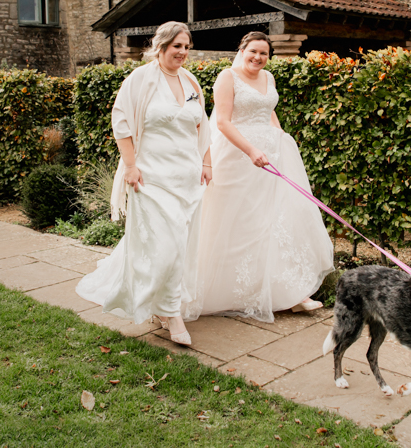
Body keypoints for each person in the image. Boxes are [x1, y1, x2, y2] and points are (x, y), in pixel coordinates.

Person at [76, 21, 212, 346]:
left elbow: (201, 124)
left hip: (187, 177)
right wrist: (131, 166)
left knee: (180, 245)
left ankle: (166, 308)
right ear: (161, 46)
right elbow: (121, 120)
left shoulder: (191, 81)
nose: (182, 52)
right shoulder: (141, 79)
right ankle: (170, 312)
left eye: (186, 46)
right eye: (177, 46)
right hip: (151, 176)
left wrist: (206, 162)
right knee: (165, 246)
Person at [182, 32, 334, 323]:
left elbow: (269, 113)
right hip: (237, 156)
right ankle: (225, 289)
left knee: (275, 220)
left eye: (264, 53)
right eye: (253, 51)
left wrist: (279, 139)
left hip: (271, 157)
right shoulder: (227, 77)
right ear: (242, 50)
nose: (258, 58)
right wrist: (251, 150)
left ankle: (288, 292)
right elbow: (223, 122)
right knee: (239, 221)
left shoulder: (269, 78)